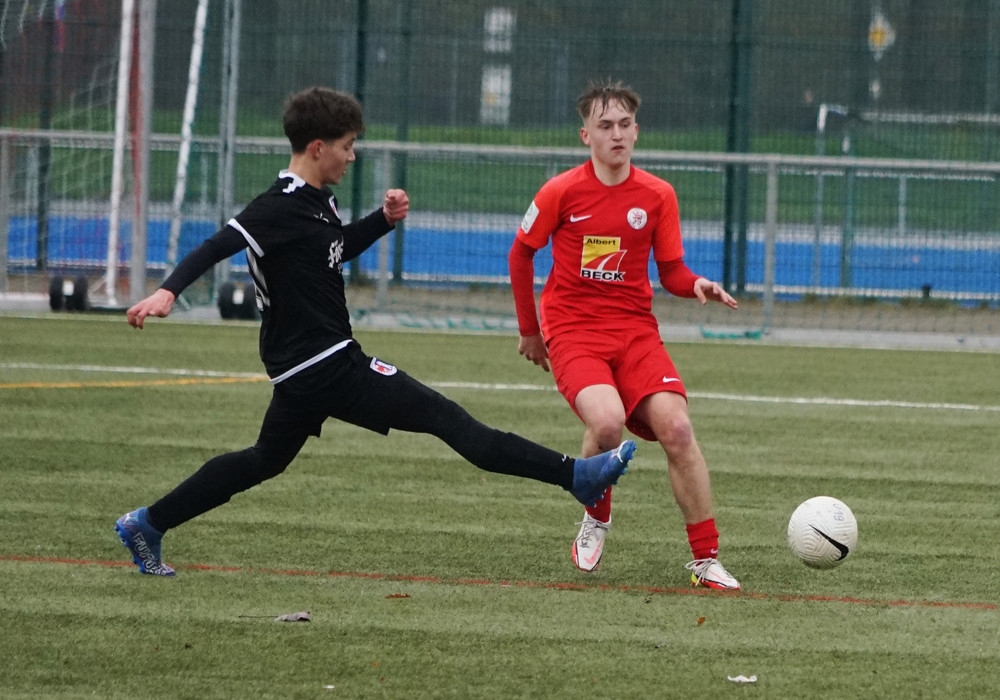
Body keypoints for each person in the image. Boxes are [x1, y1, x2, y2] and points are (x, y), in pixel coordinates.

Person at [115, 86, 635, 577]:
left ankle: (148, 524)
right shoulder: (278, 205)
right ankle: (574, 475)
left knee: (263, 460)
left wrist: (382, 220)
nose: (352, 156)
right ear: (317, 148)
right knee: (445, 418)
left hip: (305, 368)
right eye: (347, 146)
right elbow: (218, 245)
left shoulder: (318, 200)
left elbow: (334, 249)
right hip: (326, 365)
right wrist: (168, 292)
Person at [508, 79, 740, 590]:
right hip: (574, 331)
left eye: (624, 125)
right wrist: (530, 330)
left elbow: (671, 270)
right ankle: (595, 518)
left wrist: (695, 284)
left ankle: (706, 560)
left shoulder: (657, 195)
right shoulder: (560, 191)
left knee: (678, 430)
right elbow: (521, 253)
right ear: (585, 135)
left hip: (635, 332)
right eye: (605, 125)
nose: (616, 134)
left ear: (637, 131)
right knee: (608, 421)